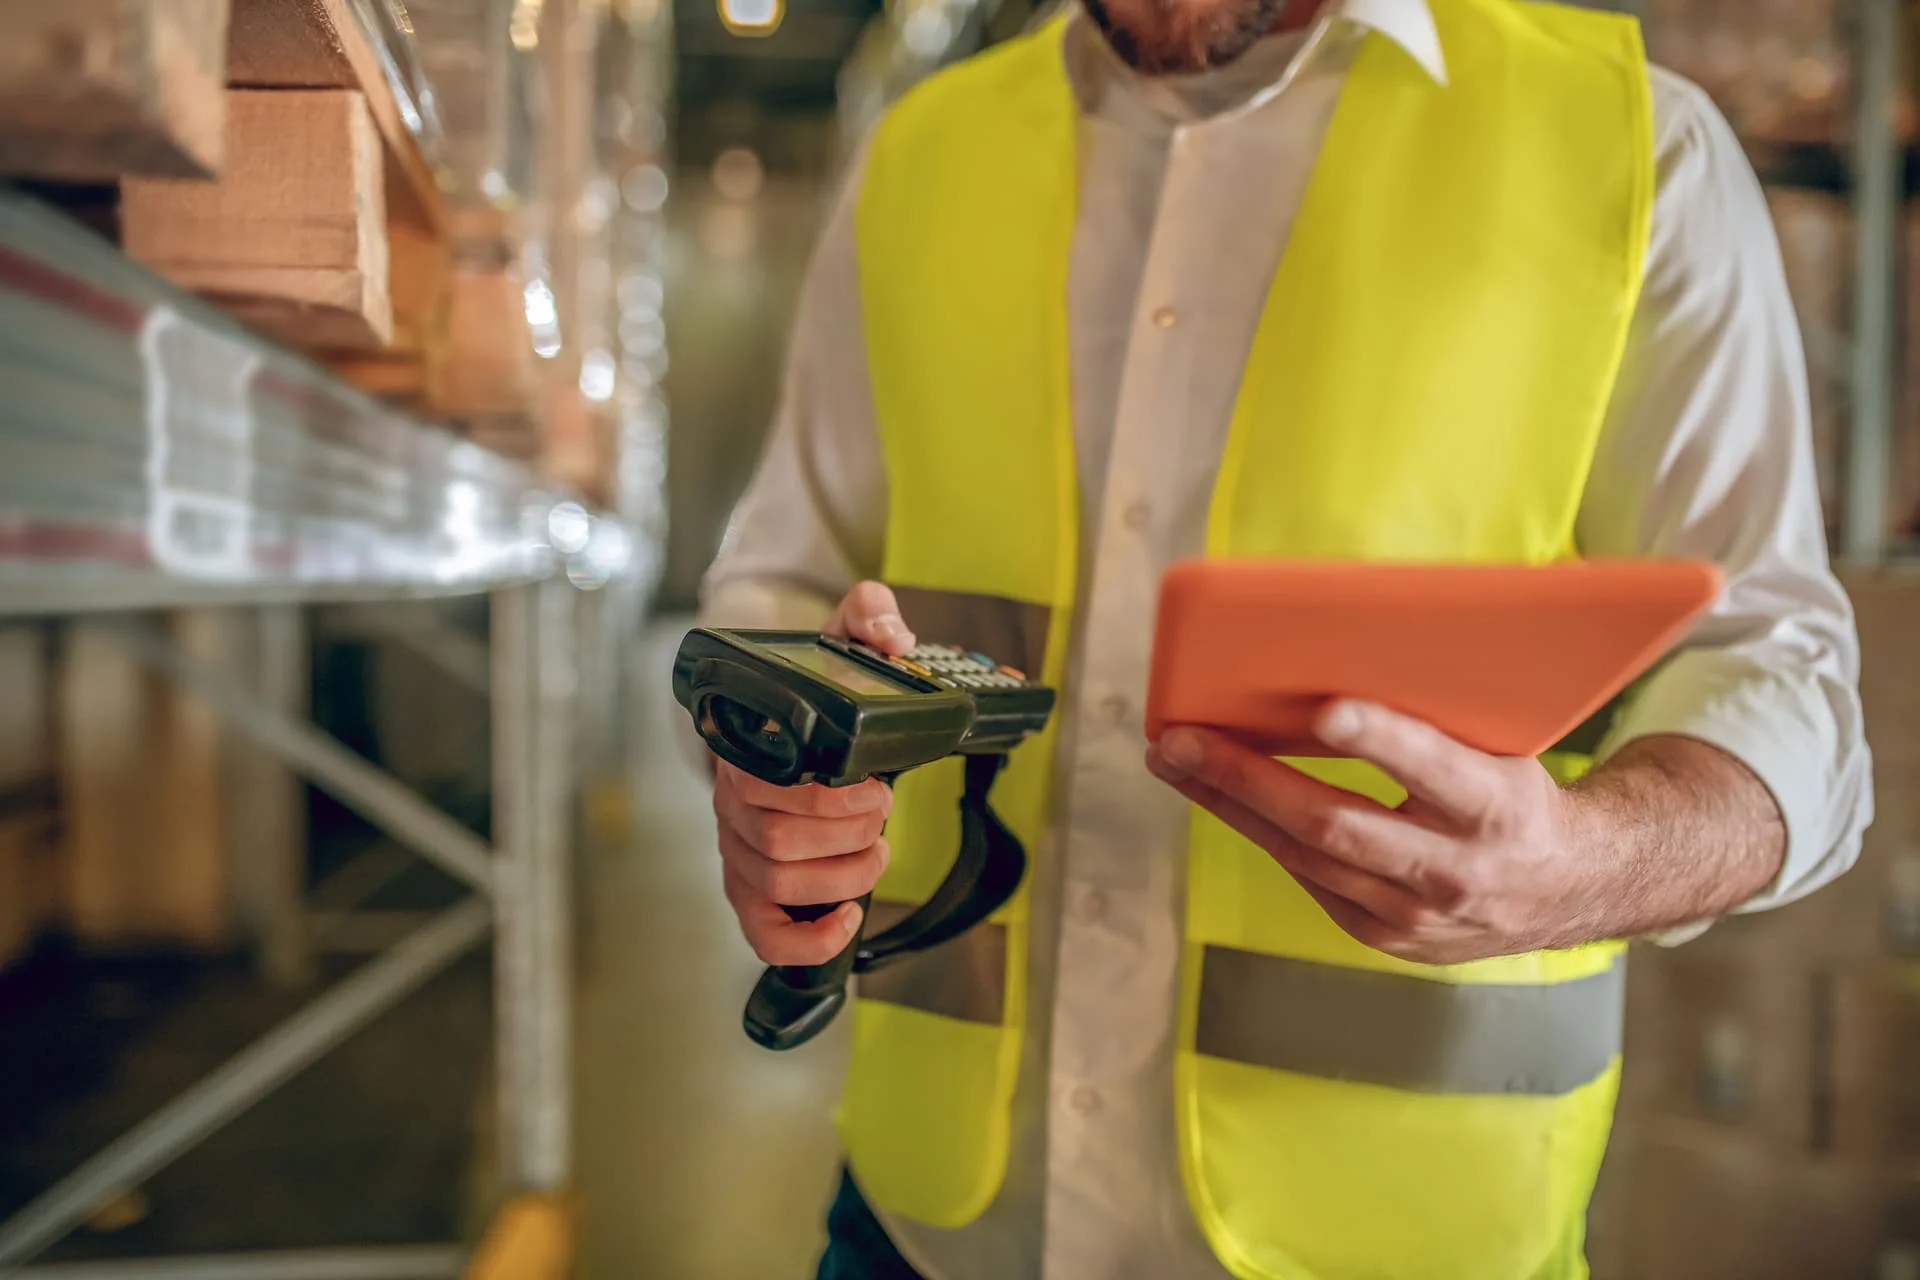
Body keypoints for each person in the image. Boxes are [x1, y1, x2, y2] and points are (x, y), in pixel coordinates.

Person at [697, 0, 1876, 1275]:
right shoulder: (923, 154)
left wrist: (1587, 860)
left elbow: (1780, 672)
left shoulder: (1633, 143)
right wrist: (766, 759)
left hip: (1408, 1238)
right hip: (926, 1222)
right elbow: (781, 577)